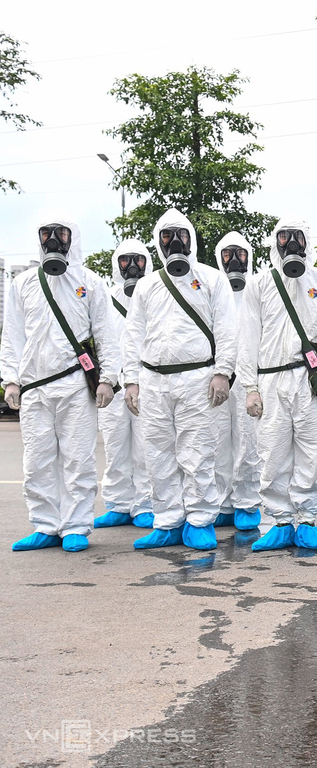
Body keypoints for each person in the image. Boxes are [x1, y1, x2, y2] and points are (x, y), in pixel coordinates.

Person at [123, 208, 237, 551]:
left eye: (181, 236)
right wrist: (131, 379)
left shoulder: (213, 279)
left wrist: (222, 372)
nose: (175, 242)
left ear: (192, 239)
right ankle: (168, 520)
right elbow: (132, 335)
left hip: (197, 378)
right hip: (154, 380)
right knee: (157, 455)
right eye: (167, 237)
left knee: (198, 451)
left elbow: (227, 329)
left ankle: (200, 520)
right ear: (158, 242)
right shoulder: (147, 285)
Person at [239, 219, 317, 552]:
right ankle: (278, 521)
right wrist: (250, 386)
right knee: (272, 453)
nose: (291, 243)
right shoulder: (259, 285)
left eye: (297, 237)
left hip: (312, 381)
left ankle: (305, 520)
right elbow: (247, 337)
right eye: (284, 237)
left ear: (308, 242)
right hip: (271, 379)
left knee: (314, 452)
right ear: (275, 242)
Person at [2, 216, 117, 552]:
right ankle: (45, 525)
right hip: (35, 387)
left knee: (77, 458)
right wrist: (10, 379)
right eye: (46, 234)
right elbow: (13, 335)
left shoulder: (90, 282)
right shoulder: (22, 284)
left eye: (61, 233)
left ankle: (76, 526)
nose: (53, 239)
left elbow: (106, 334)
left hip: (75, 387)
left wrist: (108, 379)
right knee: (37, 459)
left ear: (72, 238)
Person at [94, 240, 155, 529]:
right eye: (126, 260)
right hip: (115, 385)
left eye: (139, 260)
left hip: (146, 384)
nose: (132, 266)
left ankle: (145, 505)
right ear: (117, 263)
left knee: (146, 449)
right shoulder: (106, 297)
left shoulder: (156, 294)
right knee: (116, 447)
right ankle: (118, 504)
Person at [213, 231, 262, 531]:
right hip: (218, 377)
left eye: (240, 254)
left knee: (249, 442)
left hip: (247, 377)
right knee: (218, 442)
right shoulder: (211, 288)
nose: (234, 260)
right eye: (228, 254)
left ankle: (247, 502)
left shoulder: (258, 289)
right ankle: (222, 503)